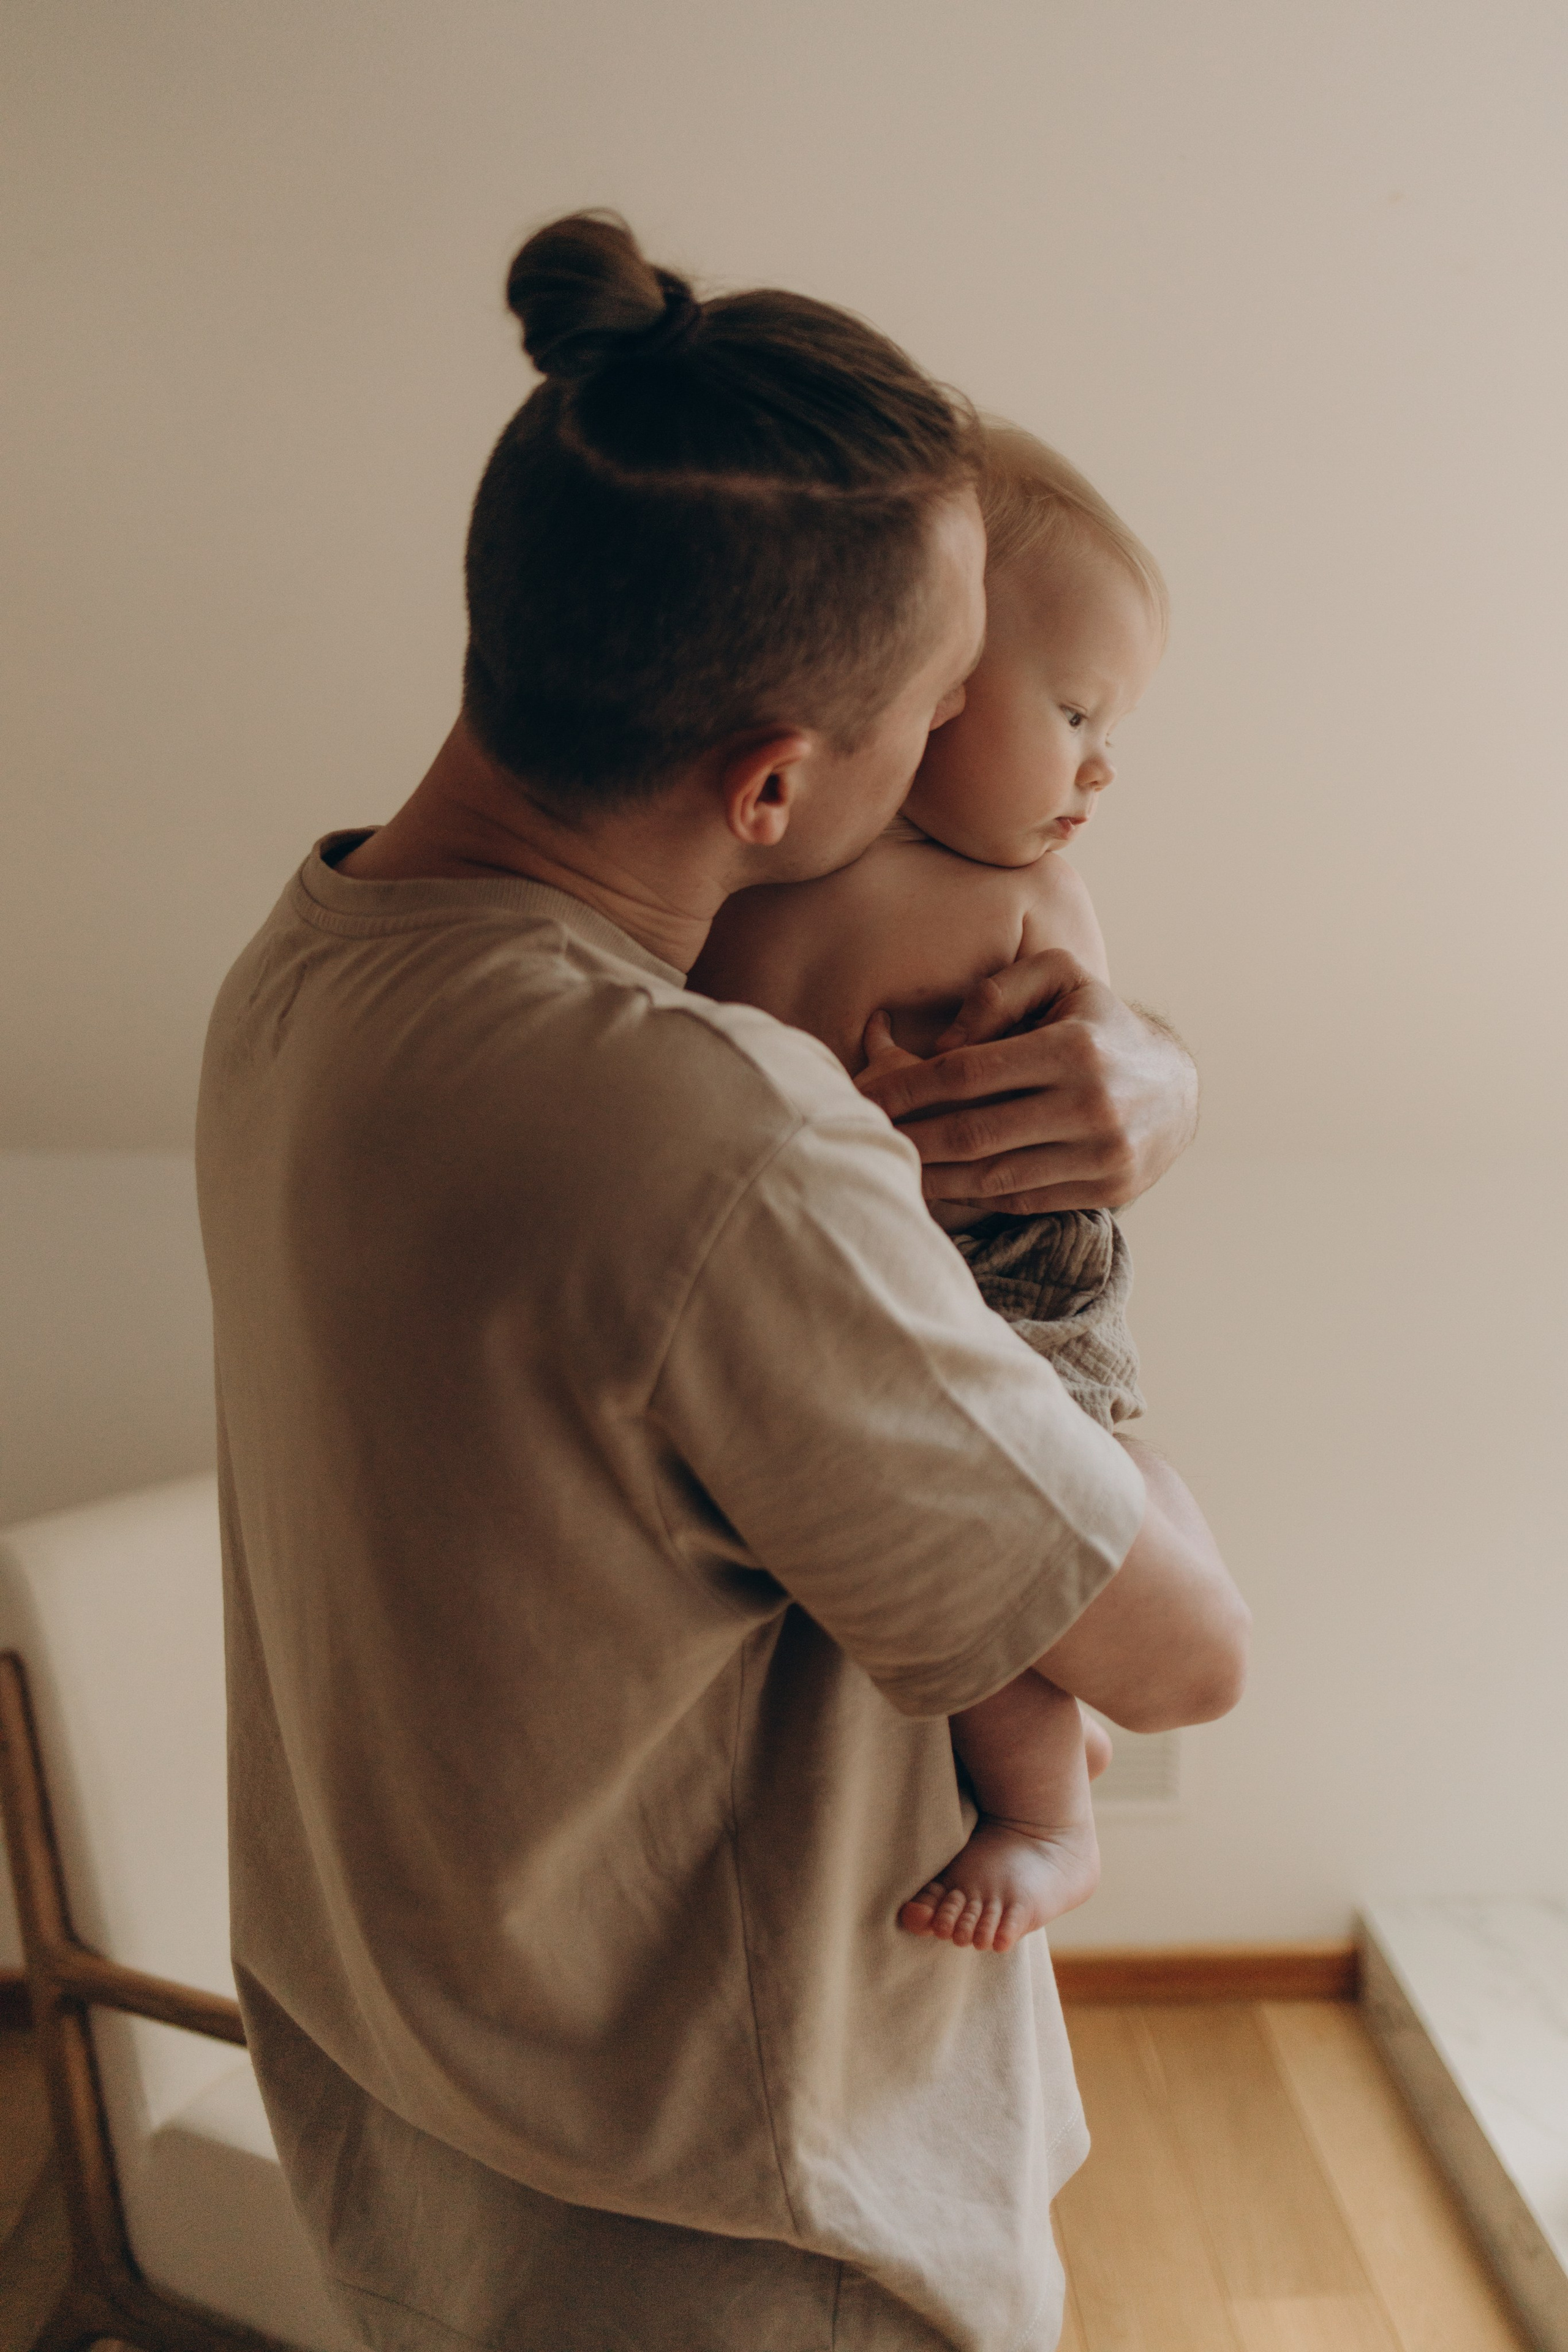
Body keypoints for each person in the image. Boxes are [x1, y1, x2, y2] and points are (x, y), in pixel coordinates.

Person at [197, 211, 1248, 2352]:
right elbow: (1180, 1655)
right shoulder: (722, 1152)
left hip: (433, 2142)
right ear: (778, 782)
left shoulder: (306, 967)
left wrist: (1139, 1070)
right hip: (741, 2231)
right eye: (937, 708)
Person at [693, 423, 1167, 1958]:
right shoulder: (767, 861)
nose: (1100, 764)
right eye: (1077, 710)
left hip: (1006, 1280)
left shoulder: (1035, 888)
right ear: (938, 685)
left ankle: (1044, 1816)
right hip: (842, 1272)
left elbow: (1079, 1116)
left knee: (972, 1555)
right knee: (917, 1573)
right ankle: (1051, 1731)